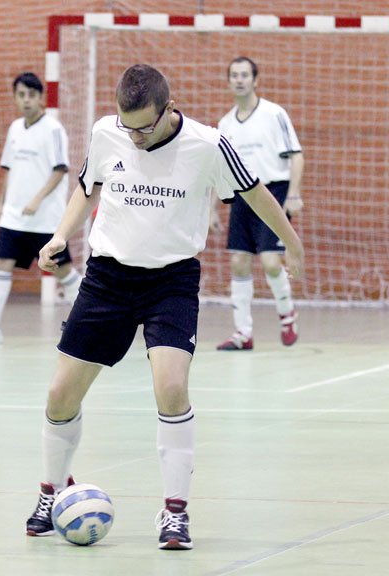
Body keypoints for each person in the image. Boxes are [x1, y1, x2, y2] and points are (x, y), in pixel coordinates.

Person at [25, 64, 303, 550]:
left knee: (172, 389)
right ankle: (51, 493)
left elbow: (256, 194)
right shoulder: (107, 133)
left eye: (144, 128)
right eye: (127, 126)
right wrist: (60, 235)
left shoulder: (208, 144)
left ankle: (175, 513)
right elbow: (88, 188)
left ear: (169, 109)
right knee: (59, 395)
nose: (134, 137)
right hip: (108, 277)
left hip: (170, 281)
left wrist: (291, 244)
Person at [0, 72, 81, 344]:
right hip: (13, 217)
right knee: (1, 264)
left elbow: (60, 169)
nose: (26, 100)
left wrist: (37, 199)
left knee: (62, 270)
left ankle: (95, 320)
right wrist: (1, 199)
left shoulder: (53, 129)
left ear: (41, 98)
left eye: (32, 95)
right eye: (21, 95)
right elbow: (9, 168)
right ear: (15, 98)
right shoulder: (14, 128)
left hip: (45, 219)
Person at [214, 56, 304, 351]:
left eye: (244, 75)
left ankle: (287, 315)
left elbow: (296, 155)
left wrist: (294, 194)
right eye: (234, 75)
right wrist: (214, 207)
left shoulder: (274, 114)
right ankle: (243, 332)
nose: (239, 80)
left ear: (255, 80)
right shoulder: (225, 124)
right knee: (239, 262)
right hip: (242, 197)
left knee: (270, 261)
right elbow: (220, 170)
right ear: (229, 81)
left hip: (273, 193)